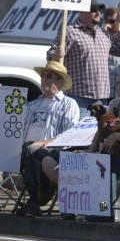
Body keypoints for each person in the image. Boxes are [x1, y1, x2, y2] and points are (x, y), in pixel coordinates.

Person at [42, 69, 120, 186]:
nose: (116, 85)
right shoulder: (115, 104)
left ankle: (100, 202)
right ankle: (76, 193)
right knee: (67, 158)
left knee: (98, 164)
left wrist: (116, 136)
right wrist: (90, 150)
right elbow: (102, 129)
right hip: (115, 151)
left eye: (119, 82)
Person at [16, 61, 80, 217]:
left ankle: (34, 201)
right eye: (43, 76)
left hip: (53, 151)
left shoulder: (69, 104)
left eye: (49, 76)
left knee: (33, 150)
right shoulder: (32, 104)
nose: (44, 79)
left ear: (60, 82)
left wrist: (43, 143)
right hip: (24, 149)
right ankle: (40, 193)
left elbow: (68, 136)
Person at [47, 0, 120, 119]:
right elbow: (50, 55)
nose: (98, 13)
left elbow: (119, 50)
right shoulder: (69, 31)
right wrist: (56, 55)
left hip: (102, 99)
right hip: (78, 98)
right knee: (77, 136)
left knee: (97, 136)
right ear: (82, 12)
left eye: (99, 10)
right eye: (93, 10)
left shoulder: (103, 33)